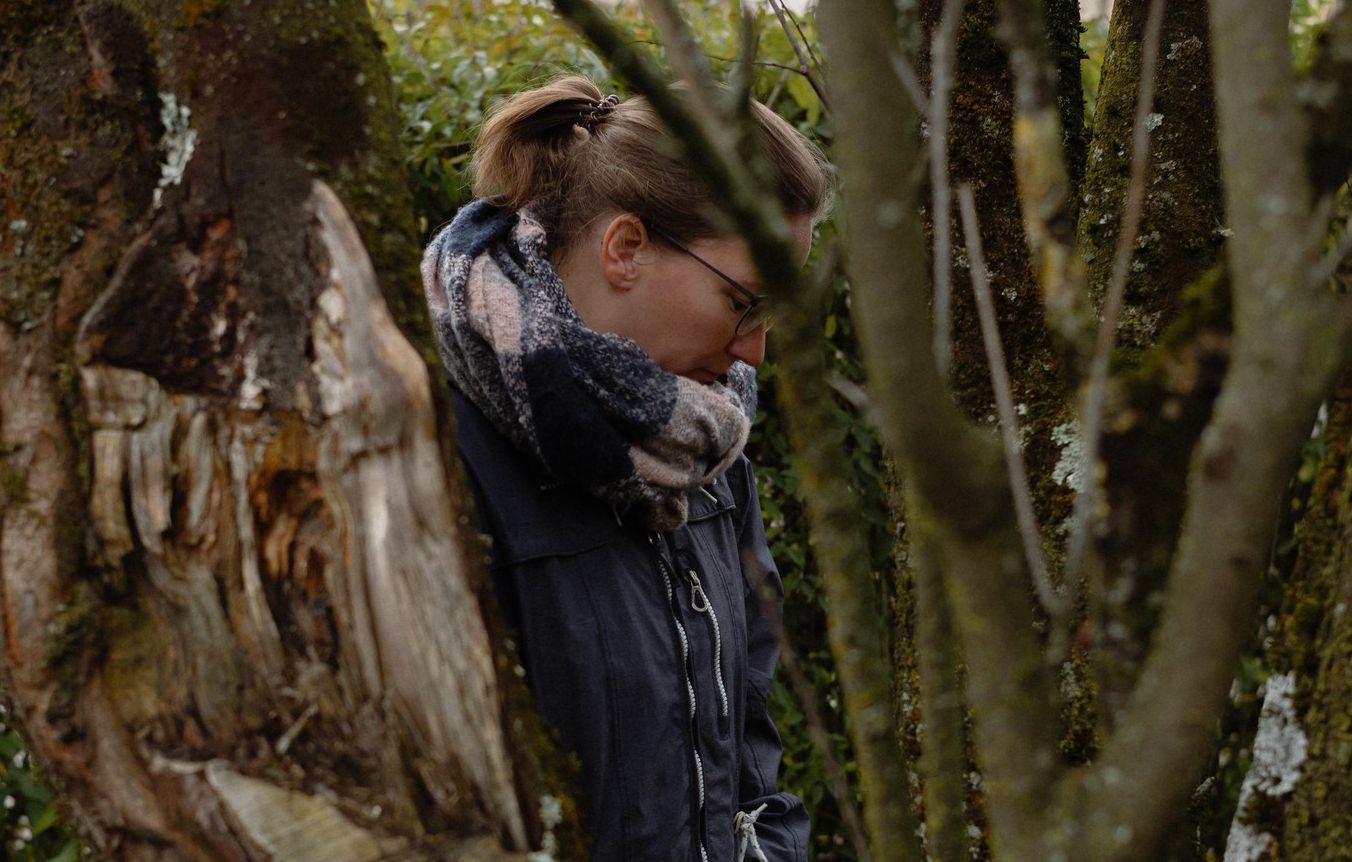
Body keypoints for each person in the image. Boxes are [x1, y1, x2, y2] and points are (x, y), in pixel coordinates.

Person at [420, 75, 831, 862]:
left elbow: (747, 758)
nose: (755, 350)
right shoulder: (440, 451)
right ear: (626, 250)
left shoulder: (705, 438)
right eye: (743, 301)